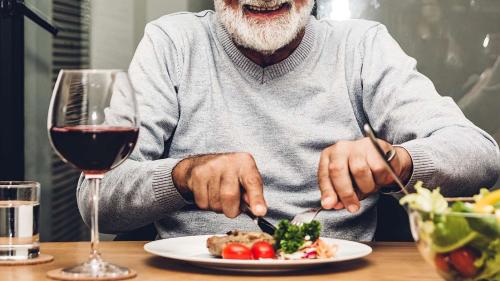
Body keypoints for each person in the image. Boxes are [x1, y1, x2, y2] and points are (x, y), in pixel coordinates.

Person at [77, 0, 500, 241]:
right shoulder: (172, 43)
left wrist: (397, 161)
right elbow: (96, 198)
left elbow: (480, 154)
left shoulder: (362, 46)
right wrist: (181, 176)